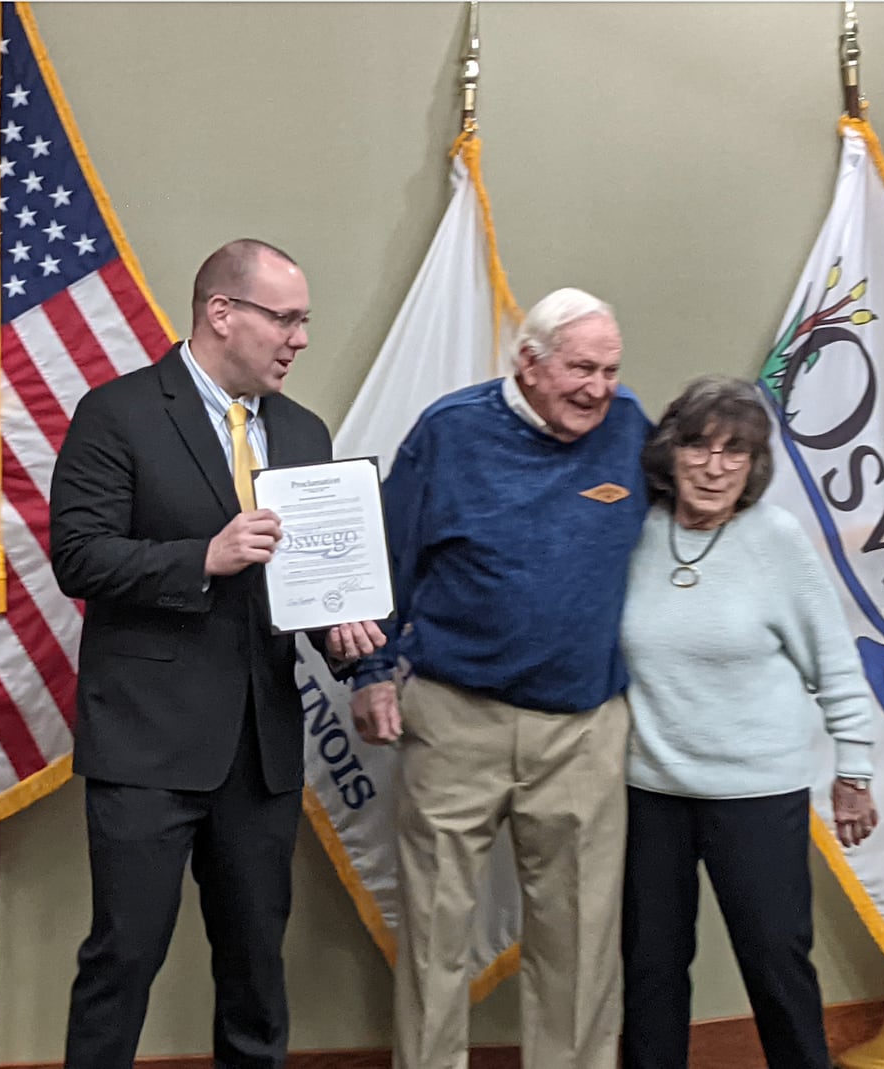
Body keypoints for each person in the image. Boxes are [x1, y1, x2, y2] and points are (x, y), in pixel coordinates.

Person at [49, 238, 385, 1069]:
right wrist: (202, 554)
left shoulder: (304, 431)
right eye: (287, 318)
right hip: (147, 745)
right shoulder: (117, 411)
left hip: (262, 749)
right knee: (123, 958)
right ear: (221, 313)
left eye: (305, 321)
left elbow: (305, 582)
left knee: (256, 970)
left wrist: (342, 632)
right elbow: (78, 555)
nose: (300, 338)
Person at [351, 287, 650, 1069]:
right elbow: (387, 562)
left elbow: (704, 517)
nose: (598, 388)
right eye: (581, 367)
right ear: (528, 362)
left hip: (585, 728)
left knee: (582, 944)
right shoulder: (450, 432)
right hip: (456, 718)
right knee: (434, 936)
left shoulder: (629, 429)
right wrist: (372, 671)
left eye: (610, 369)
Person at [619, 375, 878, 1069]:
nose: (714, 465)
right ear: (670, 453)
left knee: (776, 965)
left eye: (737, 451)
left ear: (756, 463)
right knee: (649, 969)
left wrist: (854, 770)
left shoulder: (777, 538)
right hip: (649, 791)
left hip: (758, 796)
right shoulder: (634, 530)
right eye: (699, 445)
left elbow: (836, 661)